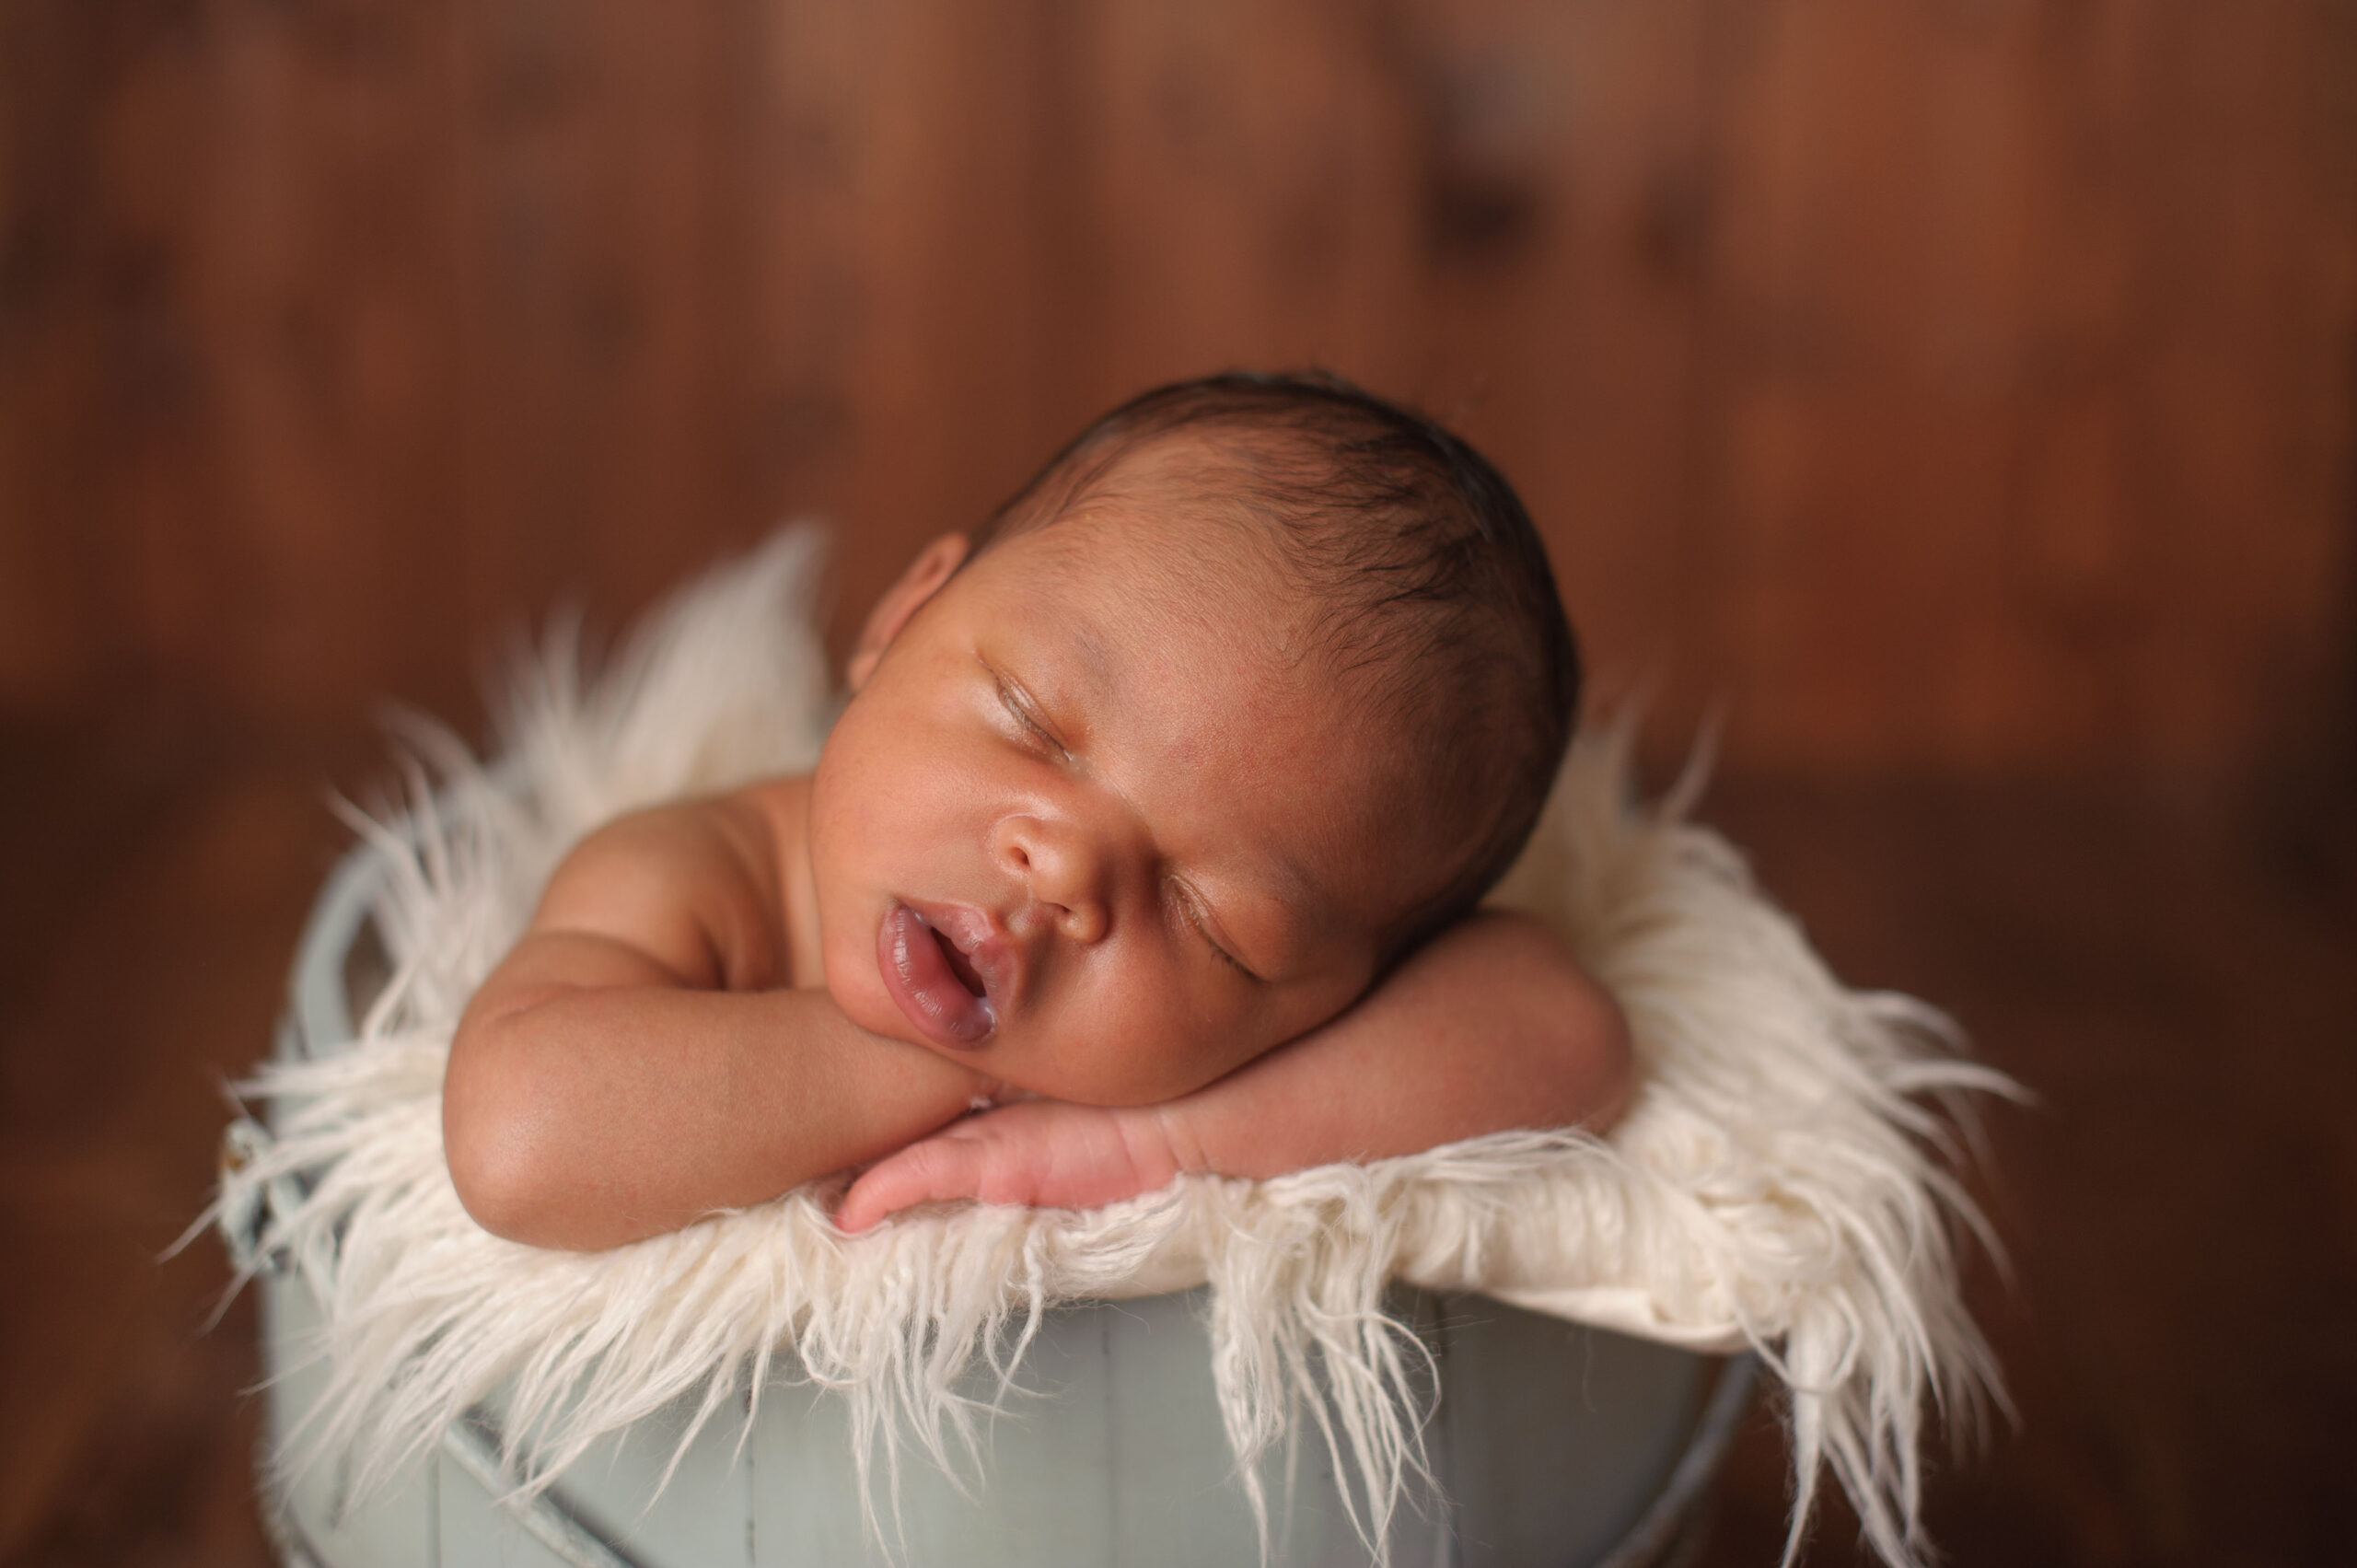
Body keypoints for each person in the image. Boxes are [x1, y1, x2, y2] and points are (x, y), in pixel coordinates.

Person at [442, 373, 1633, 1251]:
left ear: (1337, 1002)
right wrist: (976, 1077)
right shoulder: (705, 874)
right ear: (901, 617)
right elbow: (520, 1137)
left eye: (1215, 924)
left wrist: (1143, 1139)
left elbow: (1566, 1029)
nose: (1063, 864)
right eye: (1029, 719)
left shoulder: (1196, 1072)